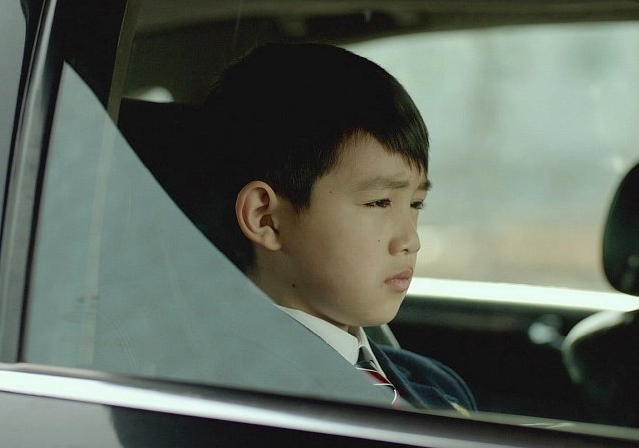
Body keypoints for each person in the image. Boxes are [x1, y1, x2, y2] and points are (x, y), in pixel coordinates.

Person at [193, 42, 476, 412]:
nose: (411, 240)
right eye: (378, 202)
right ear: (266, 218)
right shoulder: (233, 402)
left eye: (416, 204)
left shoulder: (437, 385)